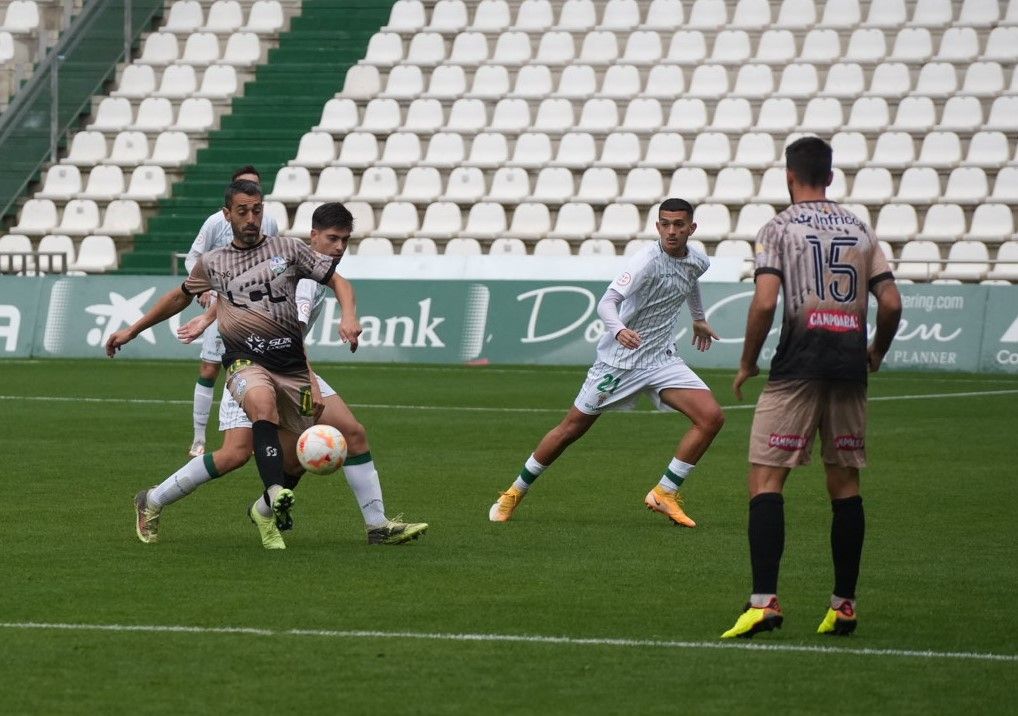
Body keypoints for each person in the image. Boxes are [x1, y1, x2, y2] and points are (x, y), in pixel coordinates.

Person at [139, 202, 428, 549]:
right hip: (258, 367)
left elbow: (248, 289)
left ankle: (375, 525)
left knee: (341, 438)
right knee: (235, 454)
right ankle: (153, 500)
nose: (338, 248)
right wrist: (312, 389)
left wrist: (207, 316)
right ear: (314, 236)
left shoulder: (306, 268)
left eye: (345, 241)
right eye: (332, 239)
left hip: (286, 368)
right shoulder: (302, 276)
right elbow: (296, 338)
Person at [107, 180, 362, 550]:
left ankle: (169, 500)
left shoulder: (287, 249)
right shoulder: (214, 262)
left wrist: (348, 315)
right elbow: (178, 298)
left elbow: (337, 280)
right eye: (242, 211)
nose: (251, 218)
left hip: (288, 367)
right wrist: (132, 330)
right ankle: (274, 495)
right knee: (261, 407)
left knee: (281, 458)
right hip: (246, 364)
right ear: (227, 215)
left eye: (256, 210)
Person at [721, 136, 902, 639]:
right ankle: (844, 604)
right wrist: (877, 352)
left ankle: (763, 602)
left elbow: (763, 303)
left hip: (796, 367)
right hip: (849, 368)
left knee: (766, 481)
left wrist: (747, 362)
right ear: (830, 174)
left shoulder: (778, 229)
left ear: (788, 175)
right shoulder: (860, 229)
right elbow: (890, 303)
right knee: (845, 487)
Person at [488, 198, 725, 527]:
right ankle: (515, 491)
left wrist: (698, 318)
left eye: (679, 224)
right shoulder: (645, 262)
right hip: (620, 363)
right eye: (665, 224)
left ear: (691, 228)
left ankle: (665, 492)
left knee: (711, 417)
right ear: (657, 227)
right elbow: (607, 302)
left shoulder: (698, 260)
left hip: (660, 359)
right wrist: (619, 330)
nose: (671, 231)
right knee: (571, 429)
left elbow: (691, 280)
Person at [184, 165, 280, 458]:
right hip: (220, 307)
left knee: (263, 370)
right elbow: (193, 259)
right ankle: (199, 439)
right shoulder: (215, 223)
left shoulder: (270, 223)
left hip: (256, 309)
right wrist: (205, 289)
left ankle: (259, 436)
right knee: (210, 368)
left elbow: (274, 261)